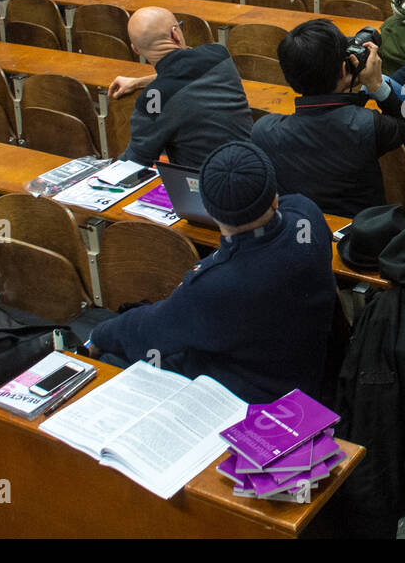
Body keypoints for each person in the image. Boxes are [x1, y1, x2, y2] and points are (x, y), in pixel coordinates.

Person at [85, 141, 337, 405]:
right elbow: (287, 205)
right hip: (307, 373)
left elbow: (149, 331)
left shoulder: (216, 285)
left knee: (113, 360)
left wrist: (99, 334)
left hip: (248, 397)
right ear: (273, 197)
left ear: (207, 209)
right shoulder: (308, 216)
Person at [250, 19, 405, 217]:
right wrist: (376, 85)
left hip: (300, 229)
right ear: (344, 70)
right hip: (357, 238)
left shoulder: (264, 131)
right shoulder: (368, 125)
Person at [106, 6, 254, 169]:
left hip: (203, 185)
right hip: (254, 168)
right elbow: (184, 73)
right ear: (175, 33)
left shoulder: (153, 99)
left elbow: (136, 161)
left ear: (136, 50)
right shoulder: (218, 55)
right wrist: (139, 82)